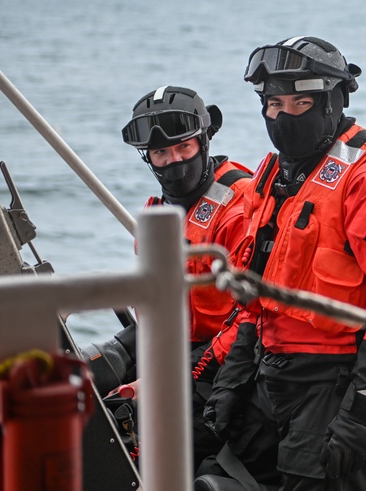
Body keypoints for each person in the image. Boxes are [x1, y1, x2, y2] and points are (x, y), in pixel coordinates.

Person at [204, 35, 366, 491]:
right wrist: (232, 378)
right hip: (271, 374)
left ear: (331, 103)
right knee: (216, 471)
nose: (283, 115)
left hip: (334, 384)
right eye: (273, 103)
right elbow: (260, 289)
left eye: (300, 102)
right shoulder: (277, 172)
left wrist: (363, 414)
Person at [109, 85, 252, 470]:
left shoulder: (239, 206)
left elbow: (249, 318)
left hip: (226, 357)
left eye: (184, 148)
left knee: (142, 447)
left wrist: (169, 379)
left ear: (205, 141)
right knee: (96, 382)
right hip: (170, 340)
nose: (174, 161)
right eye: (161, 153)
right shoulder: (156, 212)